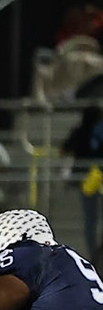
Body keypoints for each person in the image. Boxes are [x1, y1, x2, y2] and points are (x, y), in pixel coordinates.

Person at [61, 105, 103, 255]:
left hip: (85, 179)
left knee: (90, 219)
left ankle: (93, 253)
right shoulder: (99, 131)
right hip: (99, 177)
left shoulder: (79, 132)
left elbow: (64, 149)